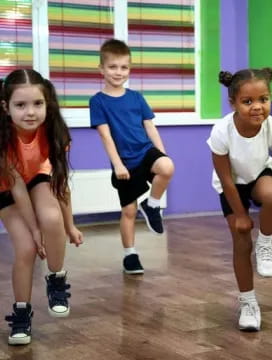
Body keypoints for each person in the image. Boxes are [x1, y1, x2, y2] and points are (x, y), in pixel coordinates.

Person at [207, 68, 272, 331]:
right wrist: (242, 215)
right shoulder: (221, 131)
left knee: (271, 193)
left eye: (264, 100)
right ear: (233, 103)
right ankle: (248, 302)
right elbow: (225, 178)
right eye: (248, 102)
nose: (257, 107)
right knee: (241, 242)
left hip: (258, 175)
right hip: (231, 186)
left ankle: (265, 245)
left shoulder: (271, 126)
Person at [0, 69, 83, 345]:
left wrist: (69, 224)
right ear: (5, 107)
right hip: (7, 188)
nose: (30, 112)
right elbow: (15, 186)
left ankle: (56, 279)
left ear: (47, 103)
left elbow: (60, 182)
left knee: (51, 216)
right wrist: (34, 231)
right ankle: (22, 314)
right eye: (20, 105)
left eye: (37, 104)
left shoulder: (54, 132)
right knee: (25, 248)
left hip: (36, 177)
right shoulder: (4, 137)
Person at [90, 39, 174, 275]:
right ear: (102, 69)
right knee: (128, 210)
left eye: (124, 67)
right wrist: (117, 164)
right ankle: (130, 255)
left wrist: (161, 153)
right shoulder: (98, 101)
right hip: (125, 162)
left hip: (146, 151)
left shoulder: (136, 97)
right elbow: (106, 136)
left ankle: (152, 204)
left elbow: (150, 128)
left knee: (167, 166)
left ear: (129, 69)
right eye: (113, 67)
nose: (118, 72)